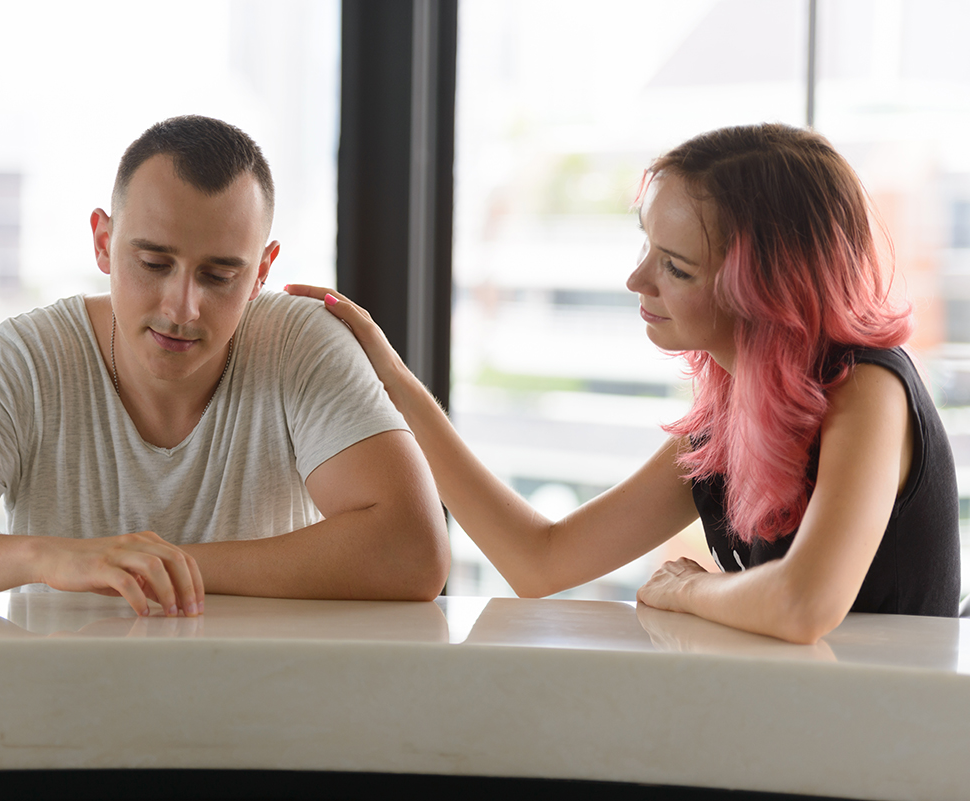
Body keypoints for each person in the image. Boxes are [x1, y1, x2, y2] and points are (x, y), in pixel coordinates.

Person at [288, 123, 960, 644]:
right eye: (646, 247)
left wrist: (685, 591)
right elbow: (538, 560)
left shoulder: (867, 390)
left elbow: (802, 604)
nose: (638, 281)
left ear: (762, 289)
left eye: (674, 266)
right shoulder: (729, 416)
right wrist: (393, 377)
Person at [0, 115, 449, 616]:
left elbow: (413, 553)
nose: (182, 307)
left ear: (263, 272)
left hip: (263, 712)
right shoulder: (31, 360)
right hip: (59, 723)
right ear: (104, 243)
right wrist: (48, 558)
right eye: (154, 263)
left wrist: (157, 567)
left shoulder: (299, 343)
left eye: (220, 275)